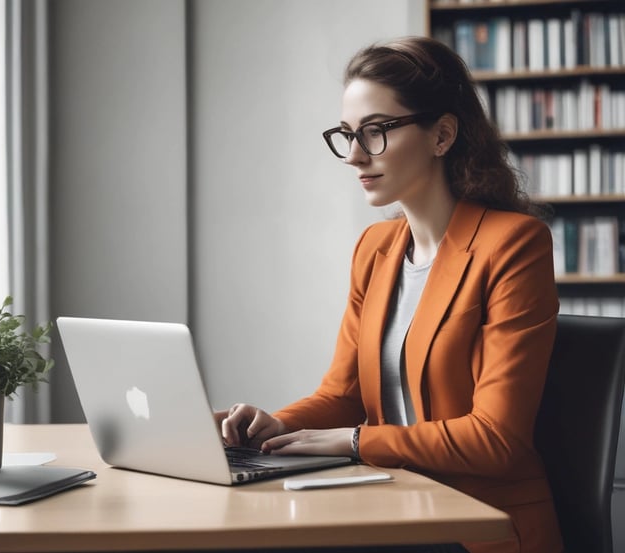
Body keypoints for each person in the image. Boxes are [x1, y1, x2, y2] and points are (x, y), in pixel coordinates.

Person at [217, 36, 563, 553]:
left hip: (482, 524)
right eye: (347, 134)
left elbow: (496, 439)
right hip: (395, 508)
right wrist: (279, 424)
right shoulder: (375, 249)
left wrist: (356, 441)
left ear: (442, 135)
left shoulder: (513, 244)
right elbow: (342, 396)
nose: (354, 156)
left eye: (375, 131)